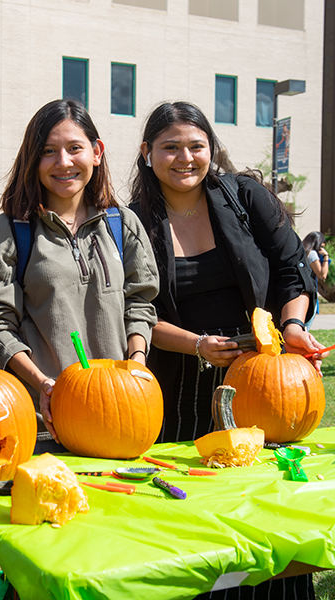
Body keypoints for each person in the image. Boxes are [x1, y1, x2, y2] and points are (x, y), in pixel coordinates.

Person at [129, 100, 320, 600]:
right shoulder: (133, 223)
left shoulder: (245, 197)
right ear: (147, 153)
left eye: (196, 146)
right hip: (181, 391)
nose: (185, 158)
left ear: (212, 149)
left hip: (264, 385)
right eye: (170, 147)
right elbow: (135, 312)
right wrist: (196, 345)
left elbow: (291, 270)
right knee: (197, 520)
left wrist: (293, 324)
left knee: (268, 514)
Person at [0, 99, 159, 447]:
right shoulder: (12, 231)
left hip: (122, 414)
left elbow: (140, 305)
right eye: (48, 151)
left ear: (96, 152)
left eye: (75, 148)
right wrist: (43, 384)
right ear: (33, 159)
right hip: (44, 421)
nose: (63, 163)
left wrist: (137, 363)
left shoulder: (123, 224)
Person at [303, 231, 330, 329]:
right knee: (306, 326)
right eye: (323, 243)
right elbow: (322, 274)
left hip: (299, 290)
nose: (323, 245)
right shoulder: (312, 254)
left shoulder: (302, 251)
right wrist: (326, 256)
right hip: (309, 291)